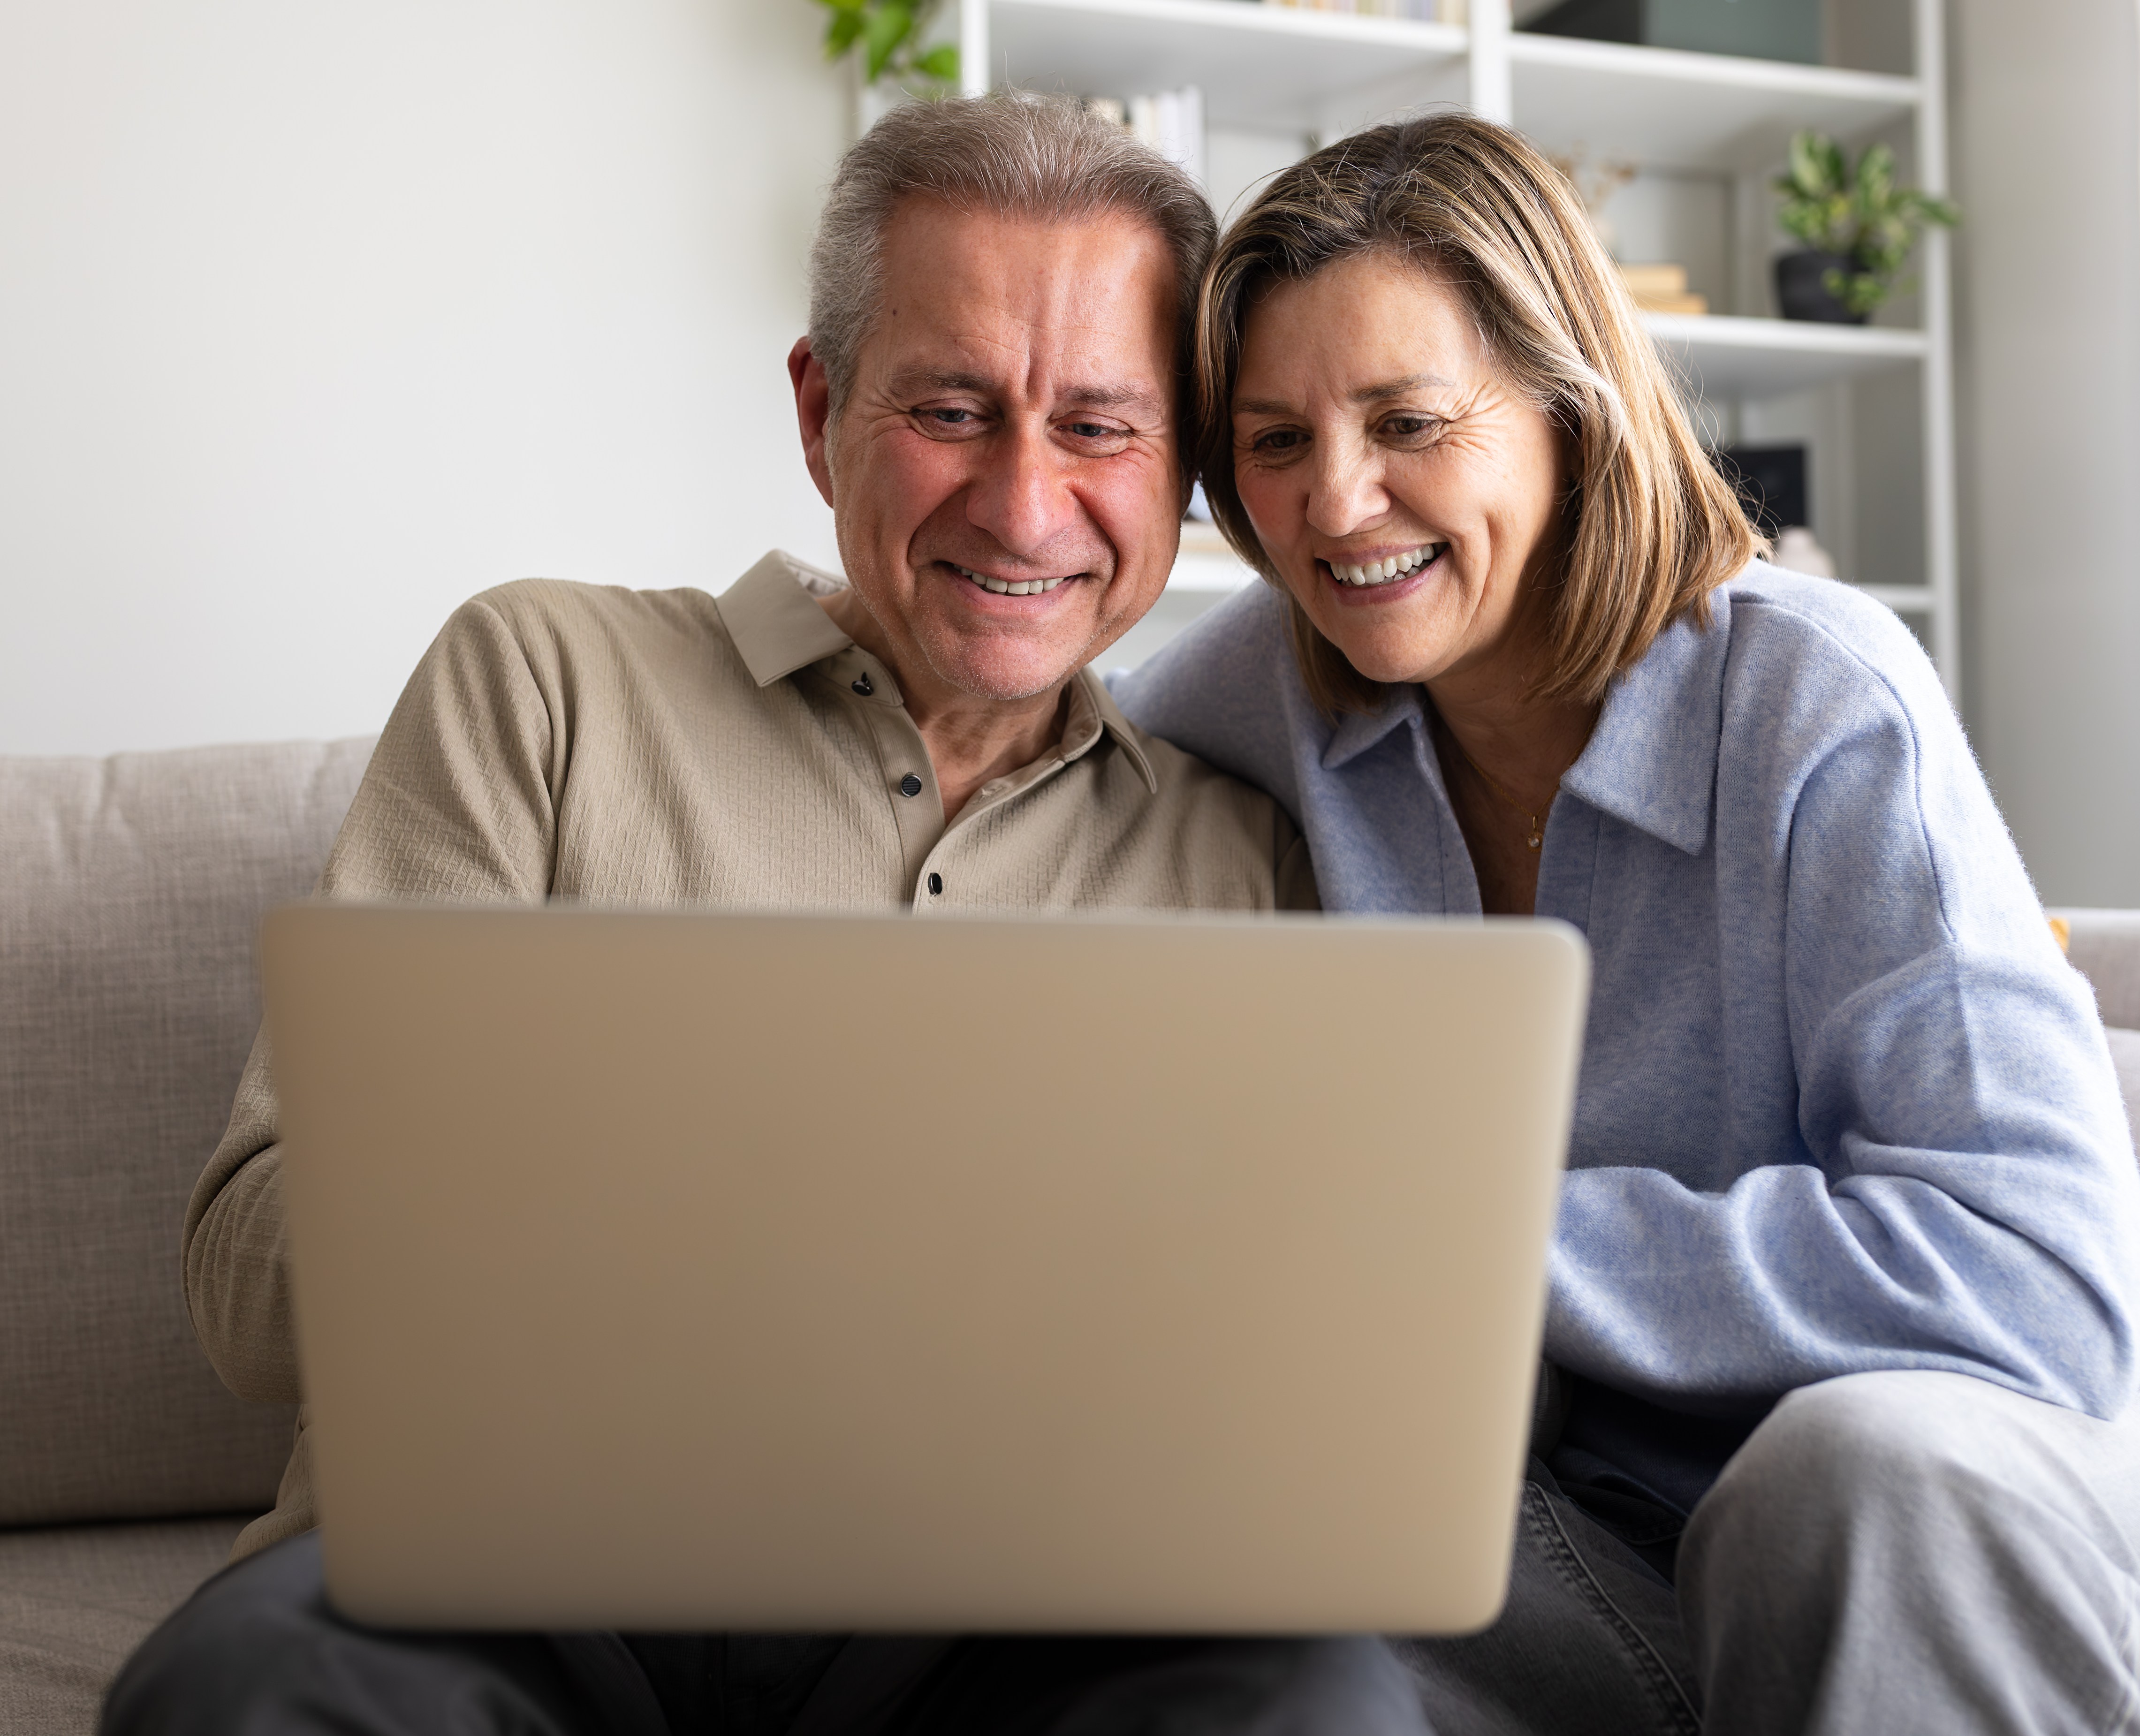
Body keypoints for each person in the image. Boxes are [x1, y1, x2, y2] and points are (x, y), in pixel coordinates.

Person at [103, 95, 1360, 1736]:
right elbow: (248, 1279)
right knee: (246, 1692)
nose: (1025, 505)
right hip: (500, 1568)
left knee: (1312, 1691)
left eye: (1102, 429)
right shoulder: (547, 684)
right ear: (821, 406)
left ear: (1186, 475)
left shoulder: (1235, 848)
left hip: (996, 1613)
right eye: (956, 408)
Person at [1111, 113, 2140, 1735]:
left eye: (1406, 420)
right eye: (1273, 443)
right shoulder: (1264, 694)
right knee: (1210, 1545)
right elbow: (1037, 778)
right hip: (1637, 1526)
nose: (1336, 507)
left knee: (1845, 1481)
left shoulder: (1815, 698)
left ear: (1568, 406)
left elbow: (2041, 1282)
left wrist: (1474, 1237)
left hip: (2066, 1459)